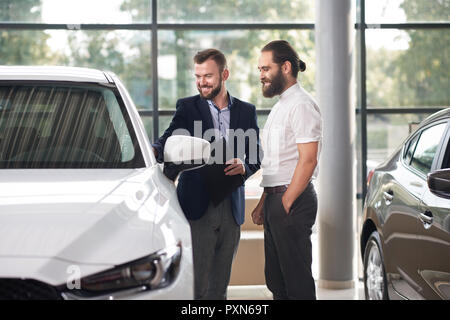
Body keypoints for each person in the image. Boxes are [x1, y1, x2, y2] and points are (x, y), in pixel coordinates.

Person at [152, 48, 262, 300]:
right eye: (198, 76)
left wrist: (245, 166)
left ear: (225, 74)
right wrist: (154, 150)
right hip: (196, 206)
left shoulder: (246, 111)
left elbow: (257, 153)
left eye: (208, 76)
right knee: (197, 286)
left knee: (219, 287)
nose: (202, 82)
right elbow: (169, 138)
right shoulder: (188, 107)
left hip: (231, 206)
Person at [251, 40, 322, 300]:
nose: (261, 75)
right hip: (276, 199)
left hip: (292, 201)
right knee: (277, 281)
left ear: (286, 67)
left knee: (297, 284)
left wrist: (285, 201)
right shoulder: (280, 107)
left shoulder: (301, 105)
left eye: (266, 68)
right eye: (260, 69)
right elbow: (276, 163)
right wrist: (264, 202)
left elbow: (308, 160)